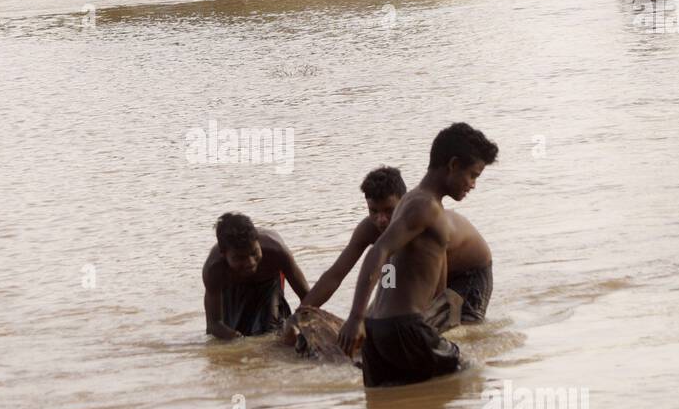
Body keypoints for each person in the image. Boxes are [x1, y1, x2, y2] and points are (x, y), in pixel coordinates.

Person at [336, 123, 499, 387]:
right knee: (473, 378)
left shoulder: (411, 201)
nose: (473, 185)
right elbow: (380, 251)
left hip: (378, 332)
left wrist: (365, 320)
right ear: (453, 165)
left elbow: (399, 267)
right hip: (404, 329)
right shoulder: (426, 206)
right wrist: (355, 318)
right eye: (473, 175)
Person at [298, 166, 406, 310]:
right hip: (394, 287)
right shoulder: (369, 229)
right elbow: (335, 276)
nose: (381, 220)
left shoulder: (421, 225)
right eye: (373, 211)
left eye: (389, 210)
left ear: (404, 202)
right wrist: (300, 314)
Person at [203, 212, 308, 339]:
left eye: (254, 252)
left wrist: (301, 326)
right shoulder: (214, 269)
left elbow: (308, 299)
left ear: (258, 242)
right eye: (240, 258)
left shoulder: (277, 252)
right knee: (232, 330)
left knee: (271, 331)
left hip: (269, 283)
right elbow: (213, 324)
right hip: (233, 288)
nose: (250, 263)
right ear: (223, 254)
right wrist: (237, 341)